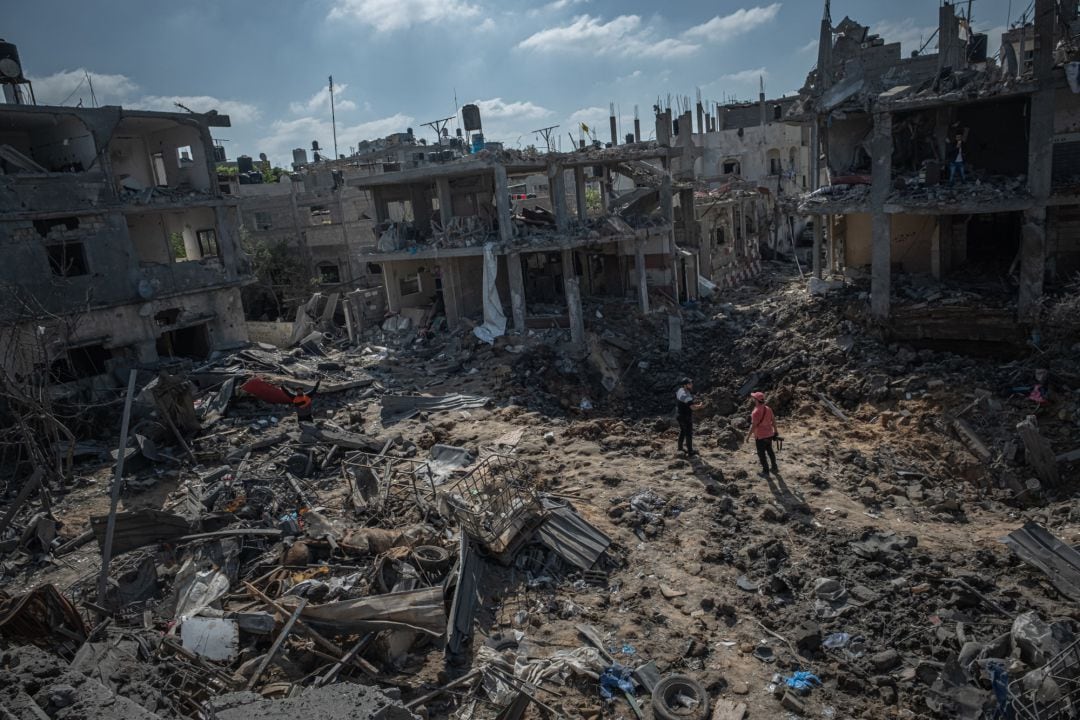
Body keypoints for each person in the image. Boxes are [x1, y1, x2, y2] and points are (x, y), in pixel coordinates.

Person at [746, 391, 779, 477]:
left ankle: (765, 471)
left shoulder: (755, 412)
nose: (753, 399)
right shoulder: (768, 408)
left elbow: (753, 426)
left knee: (762, 454)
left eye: (754, 398)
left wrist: (748, 436)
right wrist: (775, 431)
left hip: (760, 436)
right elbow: (774, 421)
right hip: (769, 434)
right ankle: (774, 467)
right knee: (770, 451)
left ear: (756, 400)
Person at [676, 378, 703, 456]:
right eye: (689, 383)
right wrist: (700, 406)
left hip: (679, 415)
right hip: (685, 417)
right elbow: (693, 408)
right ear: (685, 385)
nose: (691, 385)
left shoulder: (680, 390)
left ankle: (680, 448)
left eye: (691, 383)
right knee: (688, 434)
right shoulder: (686, 396)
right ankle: (690, 452)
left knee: (682, 431)